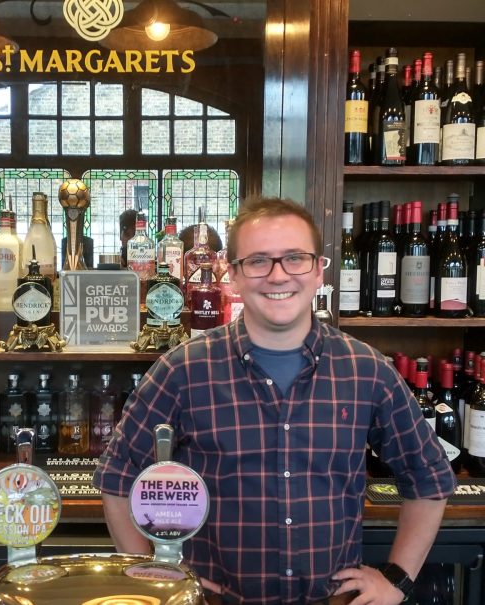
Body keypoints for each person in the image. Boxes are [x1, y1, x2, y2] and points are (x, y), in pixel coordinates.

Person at [93, 196, 455, 605]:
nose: (278, 276)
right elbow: (117, 477)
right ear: (233, 275)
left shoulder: (366, 370)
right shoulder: (183, 371)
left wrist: (397, 580)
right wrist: (153, 581)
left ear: (319, 271)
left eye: (295, 259)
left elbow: (430, 479)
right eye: (258, 261)